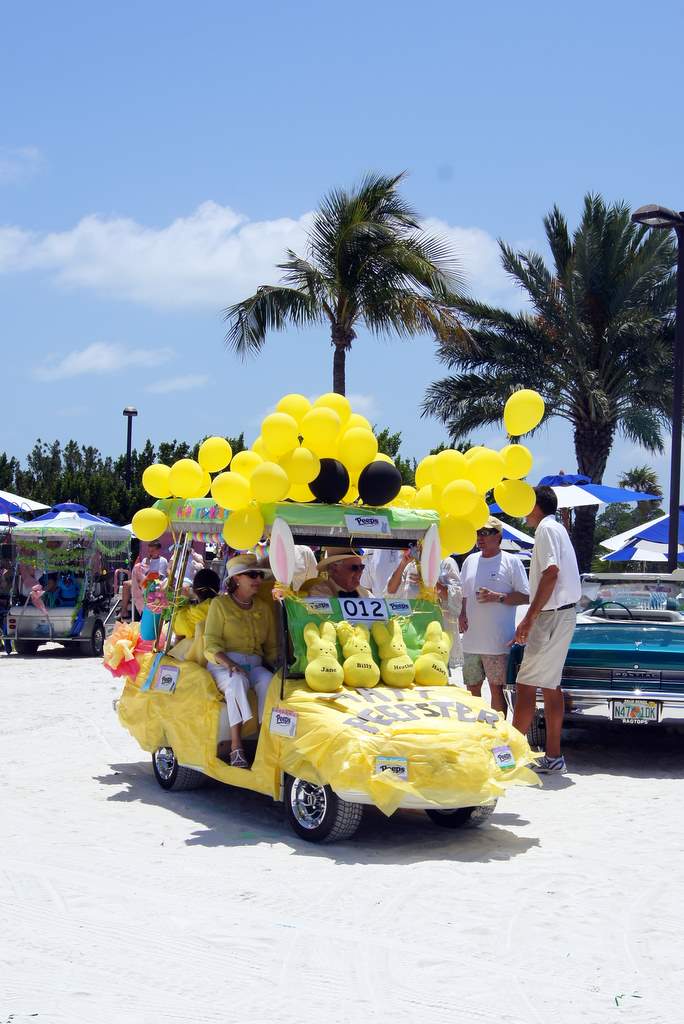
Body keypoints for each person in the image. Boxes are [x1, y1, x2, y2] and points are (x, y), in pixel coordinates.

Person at [511, 486, 581, 773]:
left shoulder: (545, 530)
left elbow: (551, 573)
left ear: (536, 505)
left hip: (551, 616)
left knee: (525, 684)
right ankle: (553, 757)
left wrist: (529, 618)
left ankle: (508, 757)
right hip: (563, 614)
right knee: (551, 686)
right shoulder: (557, 529)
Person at [203, 554, 278, 769]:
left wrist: (281, 666)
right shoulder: (220, 604)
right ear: (236, 579)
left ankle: (265, 744)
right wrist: (228, 663)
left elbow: (271, 647)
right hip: (223, 665)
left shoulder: (263, 607)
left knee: (268, 681)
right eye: (251, 575)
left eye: (259, 575)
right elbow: (210, 644)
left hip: (254, 665)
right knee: (236, 681)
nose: (257, 579)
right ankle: (236, 747)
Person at [459, 517, 530, 715]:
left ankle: (497, 736)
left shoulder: (511, 561)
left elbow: (526, 596)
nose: (480, 537)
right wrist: (462, 614)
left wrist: (498, 597)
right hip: (471, 640)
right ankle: (476, 733)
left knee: (496, 689)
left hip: (498, 642)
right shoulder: (470, 560)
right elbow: (465, 593)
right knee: (471, 689)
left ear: (498, 536)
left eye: (485, 533)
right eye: (478, 532)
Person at [387, 548, 464, 675]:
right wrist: (402, 564)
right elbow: (390, 591)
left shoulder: (446, 563)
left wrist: (430, 581)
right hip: (409, 637)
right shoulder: (409, 563)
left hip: (435, 635)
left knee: (433, 678)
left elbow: (456, 597)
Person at [304, 548, 370, 598]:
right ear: (334, 568)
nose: (359, 572)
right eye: (354, 568)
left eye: (362, 567)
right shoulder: (318, 592)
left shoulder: (364, 592)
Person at [173, 568, 220, 638]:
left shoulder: (186, 616)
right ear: (218, 589)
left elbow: (177, 629)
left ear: (194, 590)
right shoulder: (224, 607)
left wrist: (183, 600)